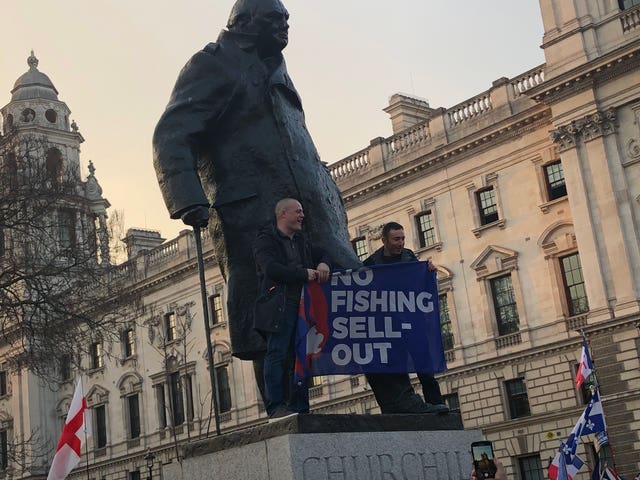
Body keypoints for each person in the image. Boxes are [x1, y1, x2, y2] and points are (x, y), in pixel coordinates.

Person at [152, 0, 360, 396]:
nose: (285, 27)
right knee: (268, 313)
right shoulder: (212, 63)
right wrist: (187, 197)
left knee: (355, 296)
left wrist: (327, 191)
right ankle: (283, 408)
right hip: (252, 214)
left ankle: (395, 392)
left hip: (311, 206)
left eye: (286, 20)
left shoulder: (273, 64)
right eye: (275, 20)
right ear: (244, 23)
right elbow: (171, 133)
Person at [253, 198, 330, 419]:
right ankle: (276, 406)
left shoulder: (301, 240)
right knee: (277, 353)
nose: (302, 215)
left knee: (300, 355)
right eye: (298, 211)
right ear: (283, 214)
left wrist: (324, 263)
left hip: (303, 306)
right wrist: (302, 274)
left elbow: (321, 253)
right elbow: (271, 268)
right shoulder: (265, 241)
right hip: (279, 304)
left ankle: (300, 405)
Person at [363, 221, 449, 414]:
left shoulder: (409, 256)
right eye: (396, 239)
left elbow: (419, 285)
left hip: (412, 322)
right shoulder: (371, 264)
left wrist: (428, 272)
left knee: (425, 368)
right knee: (398, 367)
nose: (401, 243)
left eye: (402, 238)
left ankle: (436, 403)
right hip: (390, 327)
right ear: (384, 240)